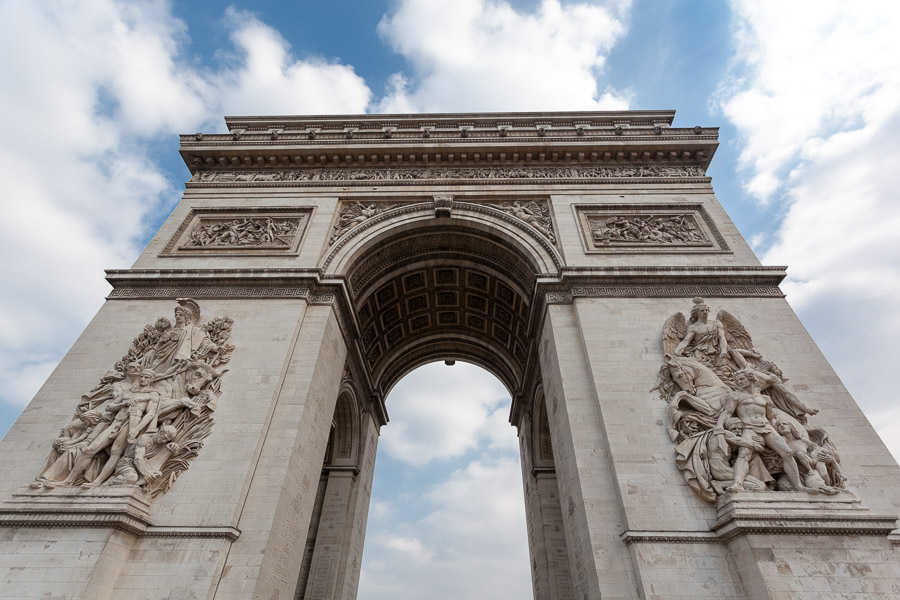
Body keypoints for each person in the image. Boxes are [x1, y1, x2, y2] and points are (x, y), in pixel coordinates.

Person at [715, 369, 810, 493]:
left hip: (767, 428)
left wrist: (781, 434)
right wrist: (719, 425)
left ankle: (798, 486)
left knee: (787, 453)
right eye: (737, 380)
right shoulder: (735, 396)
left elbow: (770, 418)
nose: (739, 382)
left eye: (742, 379)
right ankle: (737, 484)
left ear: (751, 378)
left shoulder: (765, 398)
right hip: (749, 427)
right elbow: (727, 412)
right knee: (744, 455)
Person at [674, 297, 728, 367]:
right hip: (700, 354)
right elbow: (685, 341)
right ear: (696, 313)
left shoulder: (716, 323)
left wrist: (724, 351)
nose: (705, 312)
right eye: (702, 311)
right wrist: (677, 352)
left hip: (716, 353)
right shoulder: (693, 327)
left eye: (706, 310)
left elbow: (722, 338)